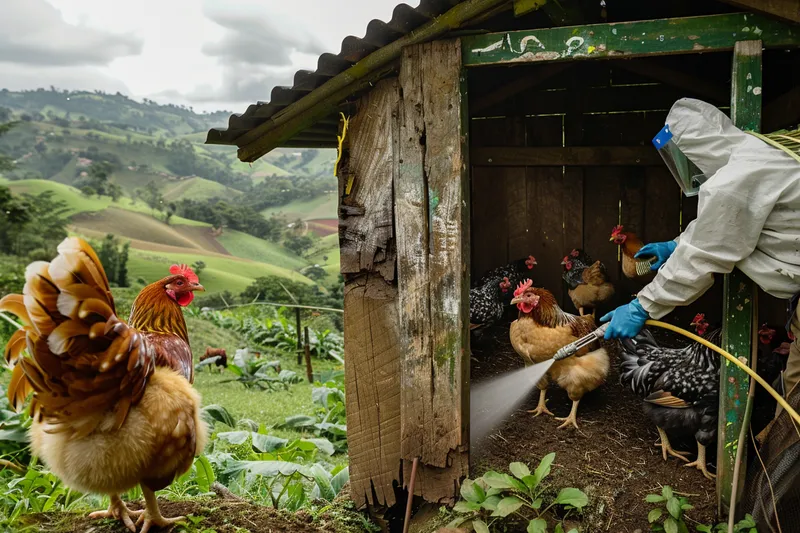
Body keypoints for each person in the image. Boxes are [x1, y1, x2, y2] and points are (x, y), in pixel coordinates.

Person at [600, 98, 800, 398]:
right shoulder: (758, 152)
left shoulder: (737, 177)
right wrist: (674, 245)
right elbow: (728, 225)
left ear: (695, 149)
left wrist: (642, 306)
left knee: (796, 395)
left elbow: (703, 255)